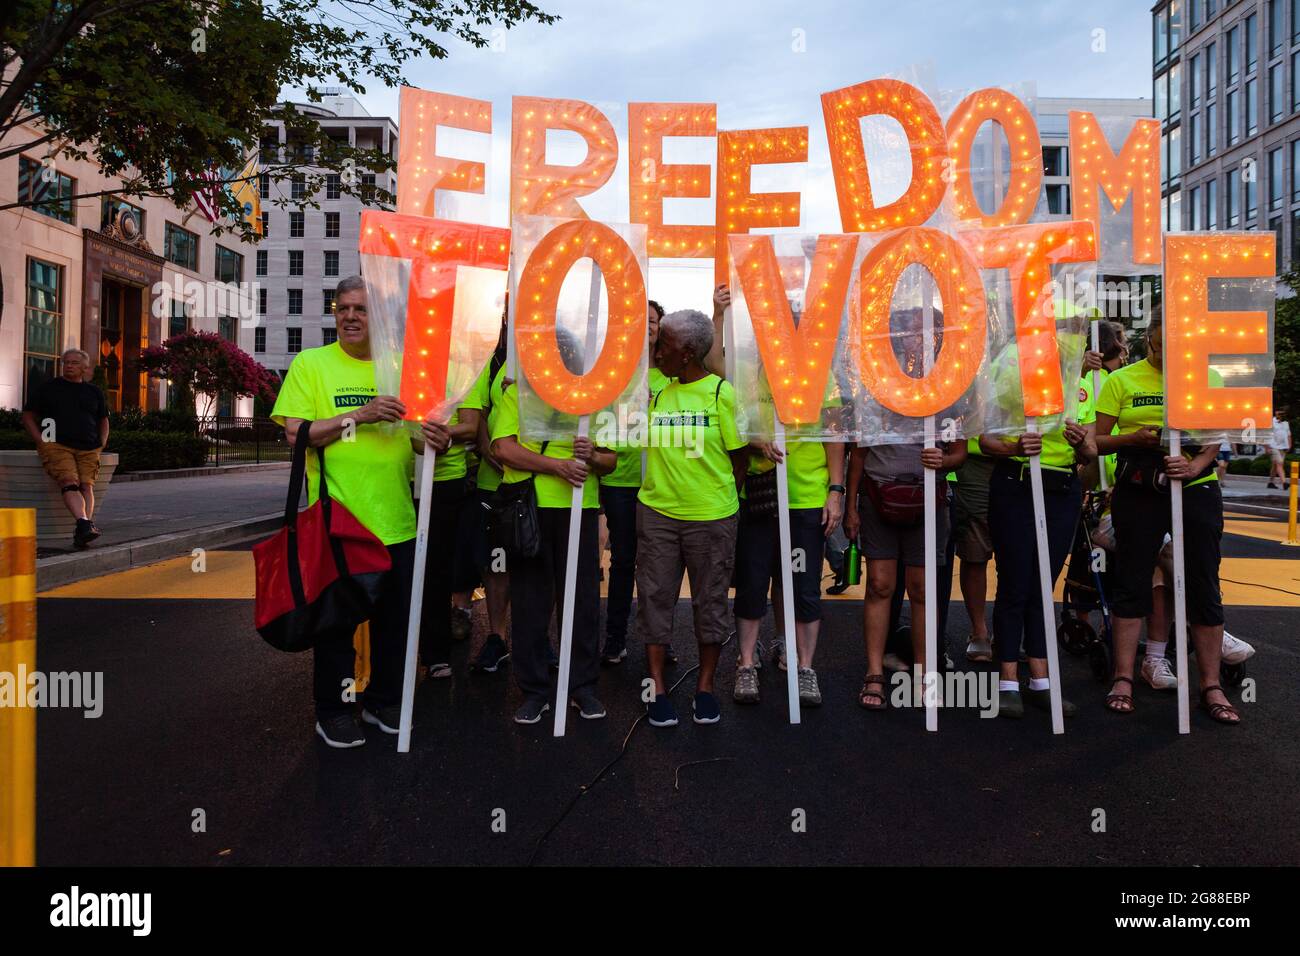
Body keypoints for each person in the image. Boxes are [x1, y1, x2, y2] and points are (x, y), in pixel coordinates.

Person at [273, 275, 451, 748]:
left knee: (395, 624)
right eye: (342, 308)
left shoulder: (399, 369)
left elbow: (416, 437)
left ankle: (383, 703)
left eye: (361, 309)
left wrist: (437, 440)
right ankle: (333, 710)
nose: (350, 316)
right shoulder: (312, 364)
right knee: (336, 627)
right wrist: (362, 414)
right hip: (339, 525)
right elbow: (296, 434)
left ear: (381, 319)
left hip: (396, 521)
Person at [1094, 314, 1240, 724]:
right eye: (1157, 346)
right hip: (1140, 484)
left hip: (1195, 484)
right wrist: (1132, 438)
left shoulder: (1206, 374)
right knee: (1133, 578)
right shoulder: (1122, 380)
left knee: (1203, 580)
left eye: (1173, 348)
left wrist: (1198, 465)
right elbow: (1098, 441)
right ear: (1147, 343)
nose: (1164, 355)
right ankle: (1123, 676)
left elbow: (1216, 431)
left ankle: (1210, 684)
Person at [489, 328, 615, 725]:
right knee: (530, 600)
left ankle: (582, 687)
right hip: (530, 508)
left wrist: (592, 454)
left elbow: (611, 460)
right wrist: (556, 466)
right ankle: (534, 690)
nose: (561, 358)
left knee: (581, 601)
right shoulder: (518, 395)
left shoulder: (596, 398)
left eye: (567, 352)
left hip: (579, 508)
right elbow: (501, 447)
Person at [843, 308, 966, 710]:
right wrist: (849, 506)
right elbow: (858, 454)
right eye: (910, 332)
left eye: (926, 333)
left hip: (928, 501)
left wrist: (944, 463)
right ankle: (874, 673)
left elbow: (960, 451)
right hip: (878, 498)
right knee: (879, 584)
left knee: (922, 589)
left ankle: (924, 674)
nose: (917, 340)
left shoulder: (949, 388)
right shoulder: (875, 388)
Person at [637, 309, 749, 727]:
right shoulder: (657, 391)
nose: (656, 349)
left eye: (663, 344)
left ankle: (705, 687)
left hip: (712, 519)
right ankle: (656, 686)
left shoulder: (722, 394)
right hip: (657, 514)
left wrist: (716, 501)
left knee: (710, 603)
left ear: (685, 354)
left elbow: (739, 460)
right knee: (654, 598)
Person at [979, 384, 1097, 719]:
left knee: (1043, 586)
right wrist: (1013, 446)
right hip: (1015, 485)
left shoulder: (1079, 379)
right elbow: (985, 439)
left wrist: (1082, 443)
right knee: (1015, 582)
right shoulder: (1009, 365)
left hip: (1062, 490)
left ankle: (1041, 682)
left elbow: (1090, 449)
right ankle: (1008, 682)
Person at [733, 437, 845, 707]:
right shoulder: (751, 391)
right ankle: (746, 664)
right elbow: (737, 429)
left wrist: (835, 491)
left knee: (805, 585)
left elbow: (834, 437)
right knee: (753, 580)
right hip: (761, 493)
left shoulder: (820, 392)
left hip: (806, 498)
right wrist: (758, 442)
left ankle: (805, 667)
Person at [598, 299, 670, 665]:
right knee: (625, 560)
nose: (647, 327)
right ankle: (615, 637)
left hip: (661, 482)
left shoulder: (672, 374)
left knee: (660, 566)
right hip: (621, 481)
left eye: (653, 321)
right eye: (640, 321)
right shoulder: (613, 374)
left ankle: (661, 640)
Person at [418, 356, 486, 679]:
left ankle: (435, 654)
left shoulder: (460, 366)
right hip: (399, 477)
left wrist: (442, 435)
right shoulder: (395, 361)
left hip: (445, 481)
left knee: (436, 569)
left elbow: (471, 425)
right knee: (397, 569)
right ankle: (396, 651)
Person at [21, 348, 109, 549]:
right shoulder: (49, 388)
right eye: (66, 362)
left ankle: (84, 527)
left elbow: (103, 419)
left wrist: (102, 442)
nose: (68, 366)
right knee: (69, 482)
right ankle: (85, 525)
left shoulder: (94, 391)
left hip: (89, 447)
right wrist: (41, 440)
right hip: (56, 444)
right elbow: (28, 415)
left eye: (74, 363)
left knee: (86, 485)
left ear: (85, 368)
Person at [951, 438, 995, 662]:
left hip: (1021, 459)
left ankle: (1010, 630)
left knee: (1017, 554)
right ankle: (979, 631)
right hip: (975, 460)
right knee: (975, 550)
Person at [1267, 407, 1291, 489]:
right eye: (1278, 413)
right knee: (1279, 463)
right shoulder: (1271, 422)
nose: (1280, 415)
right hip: (1273, 446)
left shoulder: (1286, 423)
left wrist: (1289, 445)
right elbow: (1267, 434)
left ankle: (1270, 482)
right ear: (1276, 413)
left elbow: (1288, 435)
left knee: (1275, 465)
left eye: (1282, 413)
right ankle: (1284, 483)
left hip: (1283, 447)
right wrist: (1267, 447)